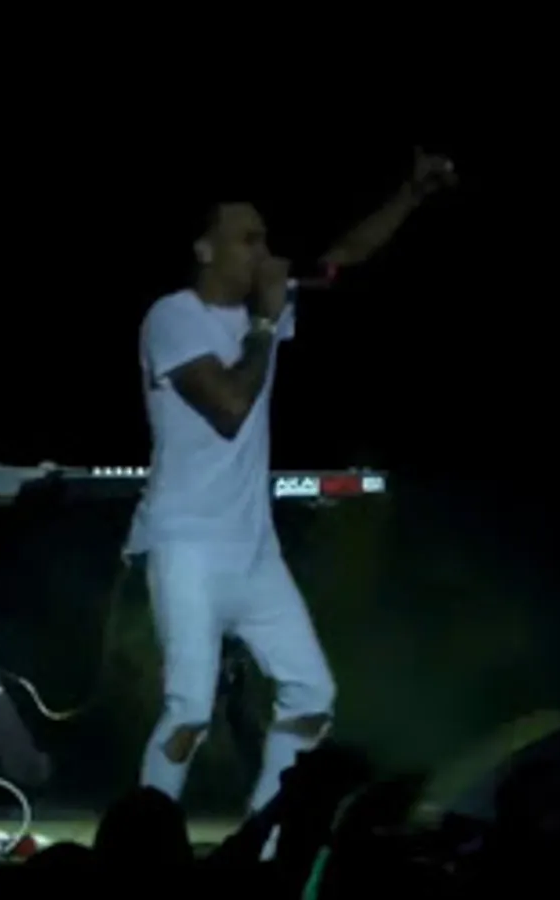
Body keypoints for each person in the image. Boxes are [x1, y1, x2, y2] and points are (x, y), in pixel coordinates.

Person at [127, 149, 458, 820]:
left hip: (253, 550)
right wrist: (263, 322)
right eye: (246, 239)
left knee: (310, 696)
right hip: (186, 544)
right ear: (204, 249)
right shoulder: (172, 317)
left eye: (264, 239)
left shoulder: (267, 312)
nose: (262, 252)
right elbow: (228, 407)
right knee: (189, 709)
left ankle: (266, 837)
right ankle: (142, 843)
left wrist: (411, 192)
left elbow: (343, 257)